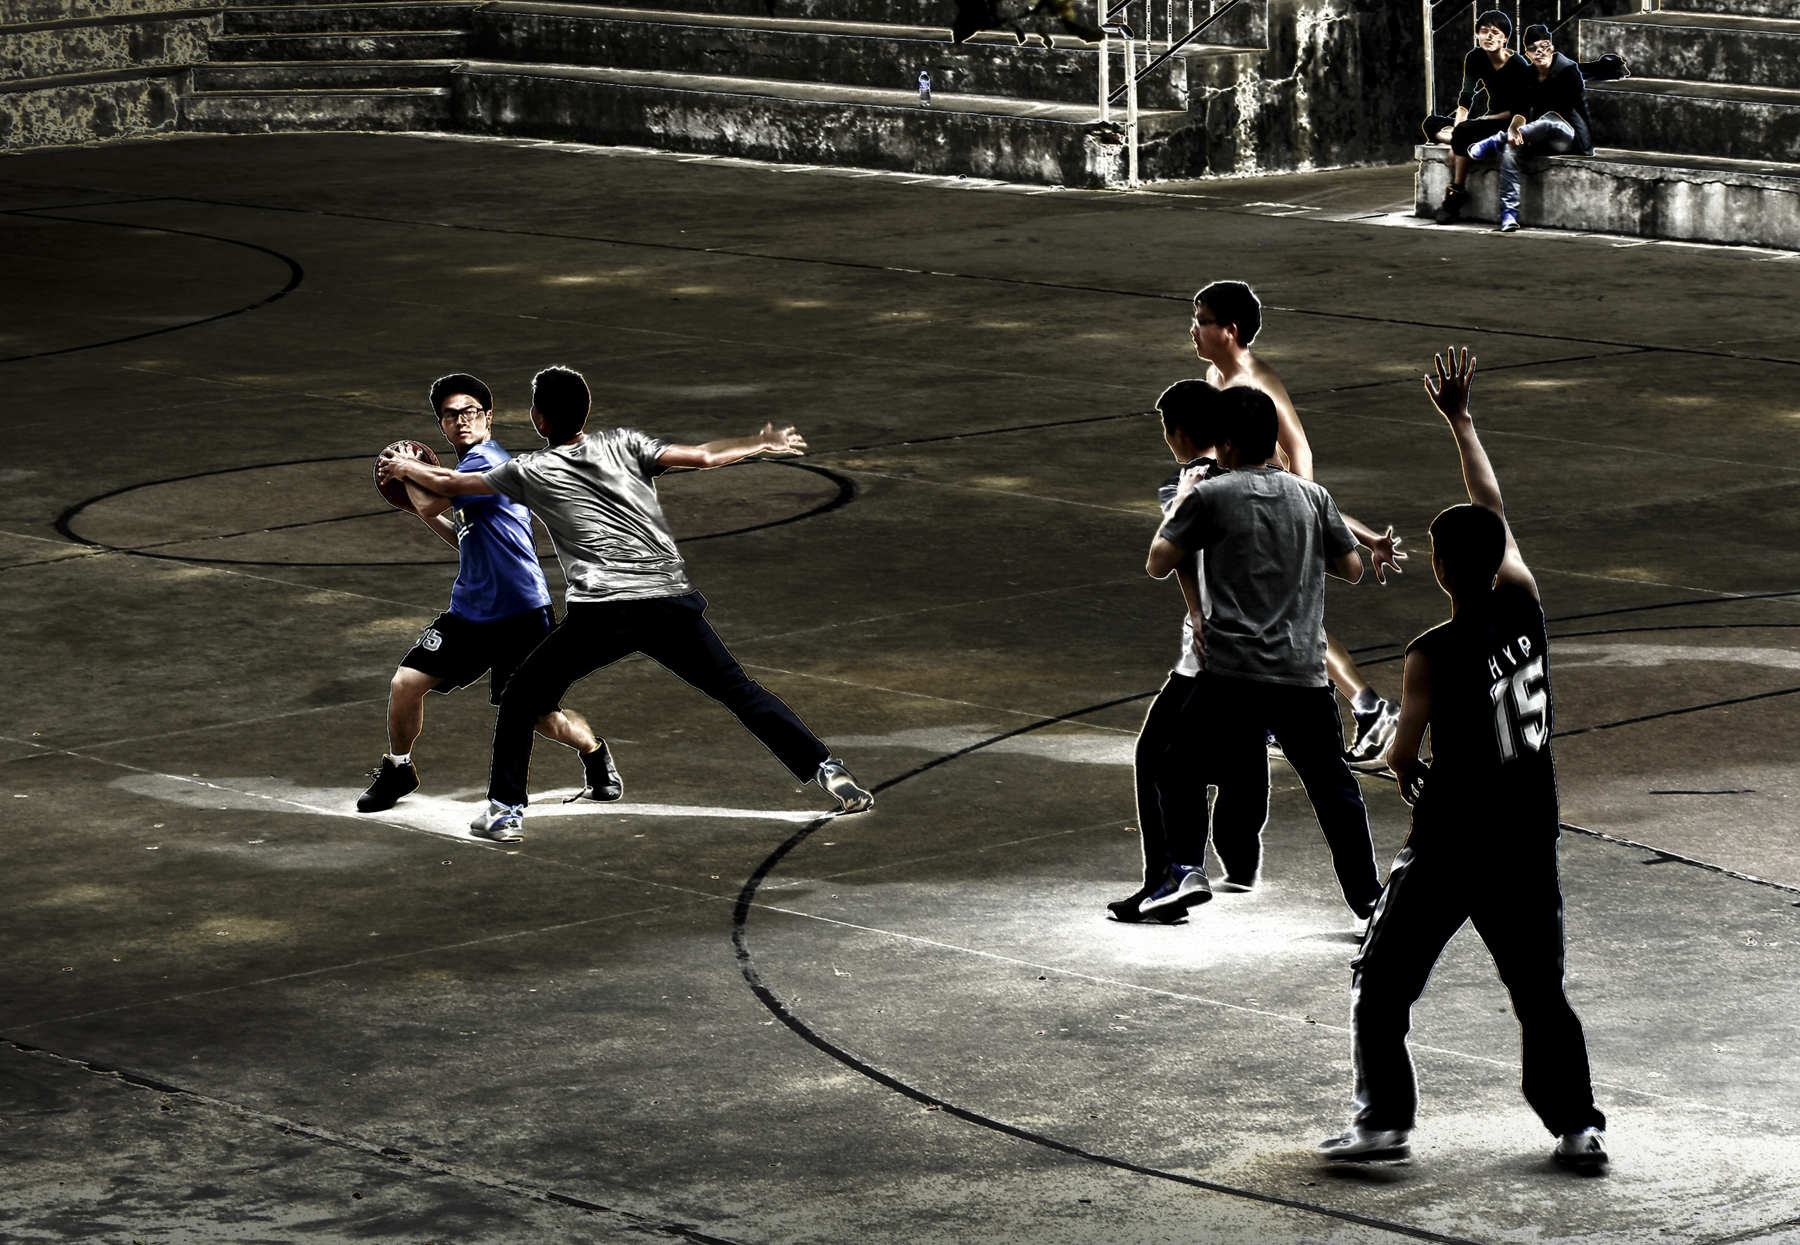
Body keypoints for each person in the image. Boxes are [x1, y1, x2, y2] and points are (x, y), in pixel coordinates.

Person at [1318, 347, 1607, 1172]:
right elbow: (1492, 507)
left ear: (1441, 568)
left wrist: (1396, 763)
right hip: (1526, 833)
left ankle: (1384, 1123)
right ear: (1497, 559)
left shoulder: (1430, 652)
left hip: (1449, 843)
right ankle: (1577, 1126)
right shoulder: (1526, 607)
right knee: (1540, 992)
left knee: (1382, 978)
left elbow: (1403, 751)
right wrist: (1462, 420)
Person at [377, 365, 874, 842]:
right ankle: (828, 769)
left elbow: (448, 486)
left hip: (604, 614)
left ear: (538, 420)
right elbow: (704, 456)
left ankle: (505, 812)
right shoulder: (625, 444)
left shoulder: (531, 469)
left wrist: (403, 466)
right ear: (586, 412)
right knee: (739, 691)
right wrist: (759, 441)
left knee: (520, 698)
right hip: (670, 603)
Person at [1144, 387, 1384, 921]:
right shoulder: (1312, 497)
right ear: (1272, 440)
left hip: (1231, 672)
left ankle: (1185, 869)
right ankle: (1368, 898)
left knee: (1176, 765)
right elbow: (1351, 569)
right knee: (1333, 787)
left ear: (1226, 444)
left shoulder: (1211, 496)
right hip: (1302, 672)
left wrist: (1183, 499)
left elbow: (1159, 561)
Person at [357, 373, 618, 814]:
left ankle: (594, 753)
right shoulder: (463, 471)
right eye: (450, 415)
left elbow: (432, 498)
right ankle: (399, 768)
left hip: (521, 614)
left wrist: (404, 469)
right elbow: (462, 536)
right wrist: (418, 508)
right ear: (441, 425)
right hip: (470, 612)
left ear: (488, 417)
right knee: (405, 683)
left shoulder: (488, 462)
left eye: (470, 412)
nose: (461, 420)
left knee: (543, 718)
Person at [1189, 281, 1405, 771]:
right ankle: (1287, 711)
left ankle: (1370, 707)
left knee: (1286, 622)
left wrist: (1299, 511)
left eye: (1201, 321)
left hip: (1273, 505)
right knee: (1273, 619)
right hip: (1249, 504)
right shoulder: (1215, 375)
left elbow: (1299, 448)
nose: (1193, 330)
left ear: (1230, 330)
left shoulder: (1256, 379)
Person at [1108, 380, 1248, 922]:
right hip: (1260, 640)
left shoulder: (1183, 484)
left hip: (1211, 650)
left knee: (1160, 758)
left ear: (1179, 433)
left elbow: (1168, 556)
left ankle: (1170, 876)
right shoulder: (1248, 474)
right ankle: (1181, 875)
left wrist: (1196, 613)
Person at [1464, 25, 1594, 234]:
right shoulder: (1528, 74)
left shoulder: (1567, 70)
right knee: (1511, 148)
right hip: (1538, 136)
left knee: (1550, 119)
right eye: (1533, 49)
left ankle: (1497, 139)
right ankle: (1509, 214)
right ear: (1527, 53)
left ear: (1552, 47)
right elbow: (1520, 109)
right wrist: (1514, 129)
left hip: (1569, 136)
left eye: (1544, 46)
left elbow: (1572, 108)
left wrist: (1587, 145)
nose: (1539, 52)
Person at [1428, 10, 1534, 225]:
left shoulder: (1518, 64)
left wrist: (1480, 122)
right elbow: (1465, 99)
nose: (1489, 36)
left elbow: (1521, 110)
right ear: (1477, 35)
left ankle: (1456, 192)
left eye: (1495, 32)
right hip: (1487, 121)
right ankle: (1459, 140)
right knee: (1432, 123)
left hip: (1511, 122)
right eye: (1484, 31)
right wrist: (1457, 134)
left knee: (1466, 131)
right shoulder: (1475, 57)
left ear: (1505, 38)